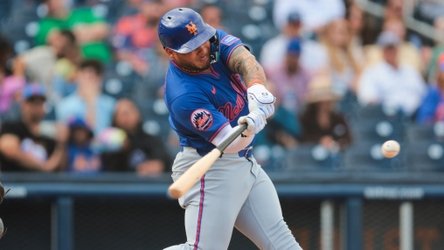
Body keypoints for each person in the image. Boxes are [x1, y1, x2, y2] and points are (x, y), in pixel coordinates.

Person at [158, 8, 301, 250]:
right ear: (171, 53)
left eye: (202, 40)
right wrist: (252, 124)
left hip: (244, 162)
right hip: (210, 168)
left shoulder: (210, 42)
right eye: (192, 48)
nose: (202, 48)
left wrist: (256, 87)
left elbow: (244, 59)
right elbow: (230, 142)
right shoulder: (183, 95)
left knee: (282, 243)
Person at [0, 84, 68, 172]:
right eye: (32, 102)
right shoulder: (12, 126)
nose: (36, 107)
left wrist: (61, 143)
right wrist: (43, 167)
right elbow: (8, 149)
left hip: (41, 184)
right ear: (23, 104)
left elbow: (60, 167)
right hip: (14, 183)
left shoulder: (49, 135)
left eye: (40, 102)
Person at [101, 98, 172, 176]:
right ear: (114, 118)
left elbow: (164, 163)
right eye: (121, 113)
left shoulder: (152, 141)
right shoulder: (109, 144)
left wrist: (158, 165)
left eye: (129, 111)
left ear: (138, 113)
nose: (126, 116)